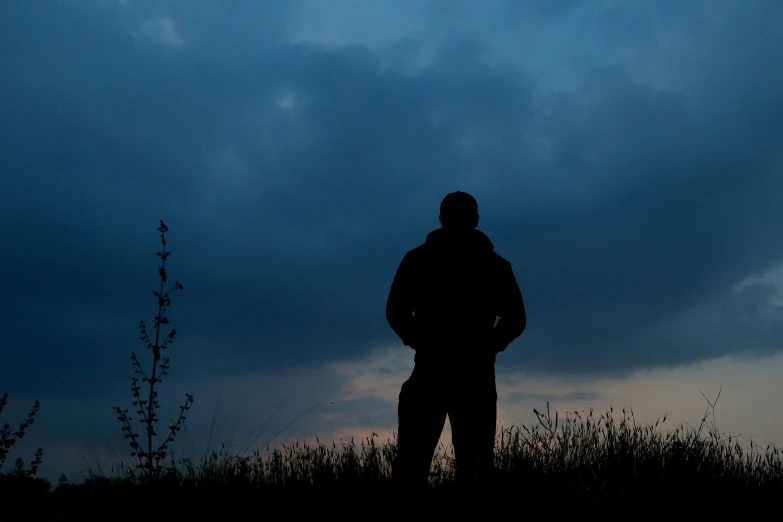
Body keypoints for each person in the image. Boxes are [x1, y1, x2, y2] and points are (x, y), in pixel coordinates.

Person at [386, 191, 526, 506]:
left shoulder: (422, 259)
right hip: (455, 373)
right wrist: (487, 345)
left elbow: (396, 312)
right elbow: (516, 318)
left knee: (453, 469)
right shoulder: (491, 264)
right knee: (463, 469)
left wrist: (484, 346)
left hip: (451, 372)